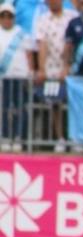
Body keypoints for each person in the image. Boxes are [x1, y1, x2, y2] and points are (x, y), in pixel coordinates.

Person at [33, 0, 77, 154]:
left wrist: (67, 67)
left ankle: (76, 139)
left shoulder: (72, 17)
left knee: (74, 104)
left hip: (72, 69)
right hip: (51, 70)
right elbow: (42, 45)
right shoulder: (43, 20)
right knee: (55, 104)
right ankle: (60, 138)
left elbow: (73, 44)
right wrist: (42, 69)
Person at [0, 2, 32, 153]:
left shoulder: (22, 33)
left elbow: (29, 55)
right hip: (3, 78)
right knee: (5, 108)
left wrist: (30, 72)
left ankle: (19, 136)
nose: (6, 19)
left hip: (20, 76)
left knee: (20, 108)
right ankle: (6, 136)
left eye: (9, 16)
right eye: (3, 16)